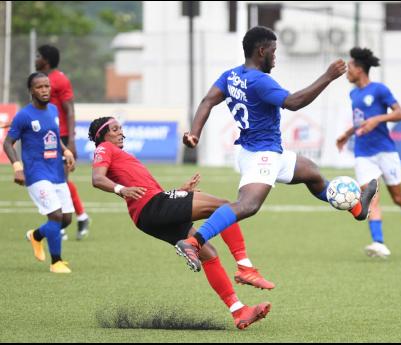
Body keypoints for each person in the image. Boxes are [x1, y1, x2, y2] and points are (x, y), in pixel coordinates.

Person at [177, 26, 378, 272]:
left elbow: (208, 101)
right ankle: (193, 242)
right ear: (261, 51)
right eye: (273, 51)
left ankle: (358, 208)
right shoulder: (261, 82)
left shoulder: (231, 76)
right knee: (247, 205)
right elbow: (293, 103)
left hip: (262, 151)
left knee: (312, 174)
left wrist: (194, 133)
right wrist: (327, 76)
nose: (275, 56)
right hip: (263, 156)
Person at [88, 116, 273, 329]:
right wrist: (122, 189)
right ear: (102, 135)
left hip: (149, 214)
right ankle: (244, 267)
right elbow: (97, 178)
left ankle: (239, 311)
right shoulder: (104, 148)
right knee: (224, 207)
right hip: (151, 208)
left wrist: (179, 192)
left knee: (209, 254)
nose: (121, 132)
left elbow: (152, 193)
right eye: (115, 129)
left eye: (121, 128)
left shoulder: (121, 155)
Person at [336, 47, 401, 258]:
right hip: (363, 153)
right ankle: (378, 242)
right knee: (371, 197)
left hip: (386, 152)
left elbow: (400, 113)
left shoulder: (380, 90)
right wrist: (348, 133)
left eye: (350, 68)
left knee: (399, 198)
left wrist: (377, 119)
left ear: (360, 69)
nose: (347, 72)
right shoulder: (353, 93)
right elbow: (359, 121)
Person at [3, 72, 75, 273]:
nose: (44, 90)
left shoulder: (53, 110)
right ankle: (56, 262)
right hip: (36, 173)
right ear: (31, 91)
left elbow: (53, 137)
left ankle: (36, 236)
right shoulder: (24, 115)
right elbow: (8, 143)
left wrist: (66, 150)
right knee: (55, 216)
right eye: (39, 87)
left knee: (67, 218)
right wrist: (18, 168)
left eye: (47, 86)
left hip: (56, 172)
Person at [35, 44, 90, 240]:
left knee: (59, 181)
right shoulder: (39, 80)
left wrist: (72, 141)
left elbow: (70, 110)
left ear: (46, 60)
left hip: (62, 137)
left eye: (38, 55)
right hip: (45, 137)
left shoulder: (60, 79)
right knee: (53, 181)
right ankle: (80, 217)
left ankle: (62, 224)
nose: (36, 58)